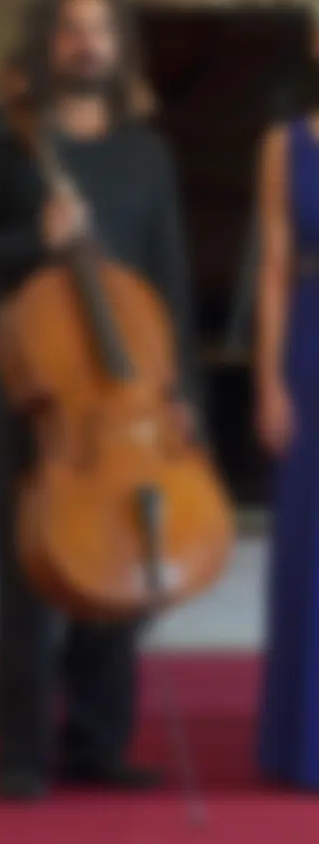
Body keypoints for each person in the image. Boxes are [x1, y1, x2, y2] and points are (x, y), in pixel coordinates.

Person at [0, 0, 199, 800]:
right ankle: (21, 753)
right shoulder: (6, 136)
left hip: (128, 396)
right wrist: (37, 238)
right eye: (72, 30)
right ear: (50, 44)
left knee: (120, 565)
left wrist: (184, 394)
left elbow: (167, 279)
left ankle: (99, 741)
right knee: (28, 580)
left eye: (101, 30)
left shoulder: (140, 152)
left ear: (114, 45)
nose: (86, 44)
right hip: (34, 392)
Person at [252, 62, 319, 793]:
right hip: (311, 344)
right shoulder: (286, 144)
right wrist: (269, 382)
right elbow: (272, 266)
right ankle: (306, 740)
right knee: (310, 540)